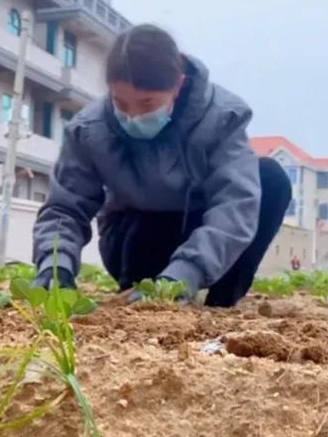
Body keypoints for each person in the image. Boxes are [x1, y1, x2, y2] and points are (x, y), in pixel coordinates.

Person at [30, 24, 292, 307]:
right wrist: (55, 265)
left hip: (202, 232)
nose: (131, 116)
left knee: (269, 179)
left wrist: (184, 273)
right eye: (120, 102)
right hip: (136, 236)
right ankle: (143, 287)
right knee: (146, 230)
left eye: (146, 104)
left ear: (178, 86)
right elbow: (65, 207)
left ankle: (221, 300)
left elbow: (235, 205)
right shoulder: (89, 129)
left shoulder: (223, 117)